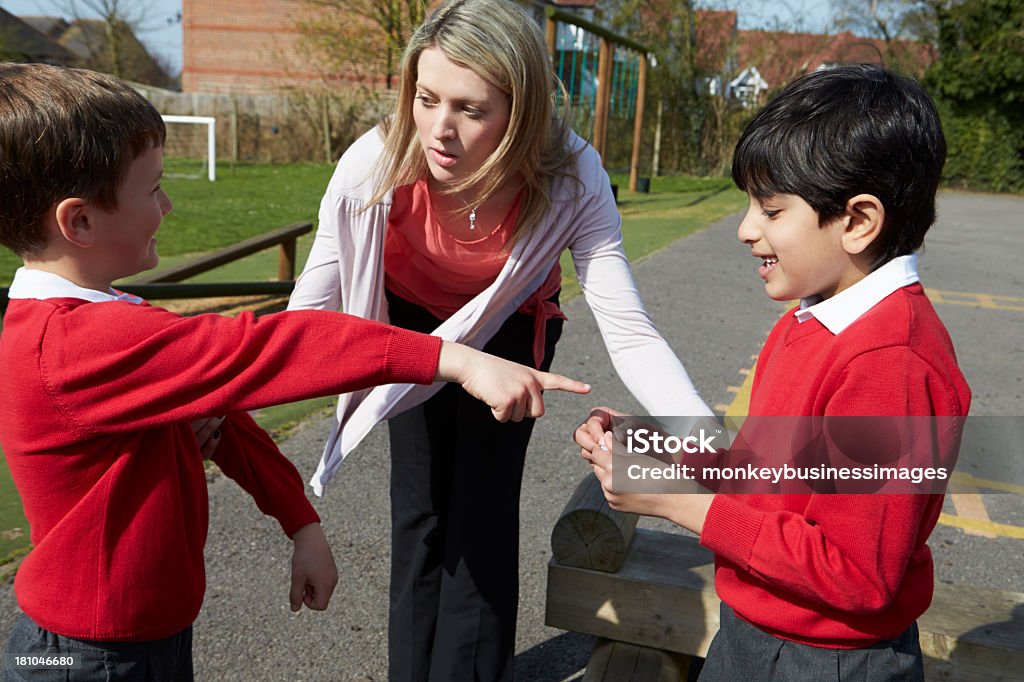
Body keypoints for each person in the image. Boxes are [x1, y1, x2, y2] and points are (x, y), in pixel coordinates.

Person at [0, 63, 589, 681]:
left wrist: (300, 522)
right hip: (85, 657)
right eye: (152, 190)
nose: (168, 205)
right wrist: (452, 357)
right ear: (80, 222)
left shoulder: (112, 321)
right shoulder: (73, 345)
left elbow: (224, 418)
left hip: (137, 636)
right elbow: (268, 350)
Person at [287, 0, 711, 678]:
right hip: (413, 325)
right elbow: (308, 310)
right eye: (426, 99)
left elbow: (628, 329)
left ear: (523, 114)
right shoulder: (374, 162)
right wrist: (224, 403)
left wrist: (703, 438)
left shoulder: (572, 176)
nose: (439, 130)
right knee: (420, 513)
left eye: (471, 109)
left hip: (511, 327)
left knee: (480, 515)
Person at [576, 64, 971, 681]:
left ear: (858, 221)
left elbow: (856, 573)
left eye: (771, 209)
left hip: (829, 660)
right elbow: (771, 480)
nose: (745, 229)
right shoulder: (810, 319)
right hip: (757, 629)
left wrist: (680, 504)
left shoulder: (891, 366)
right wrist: (659, 447)